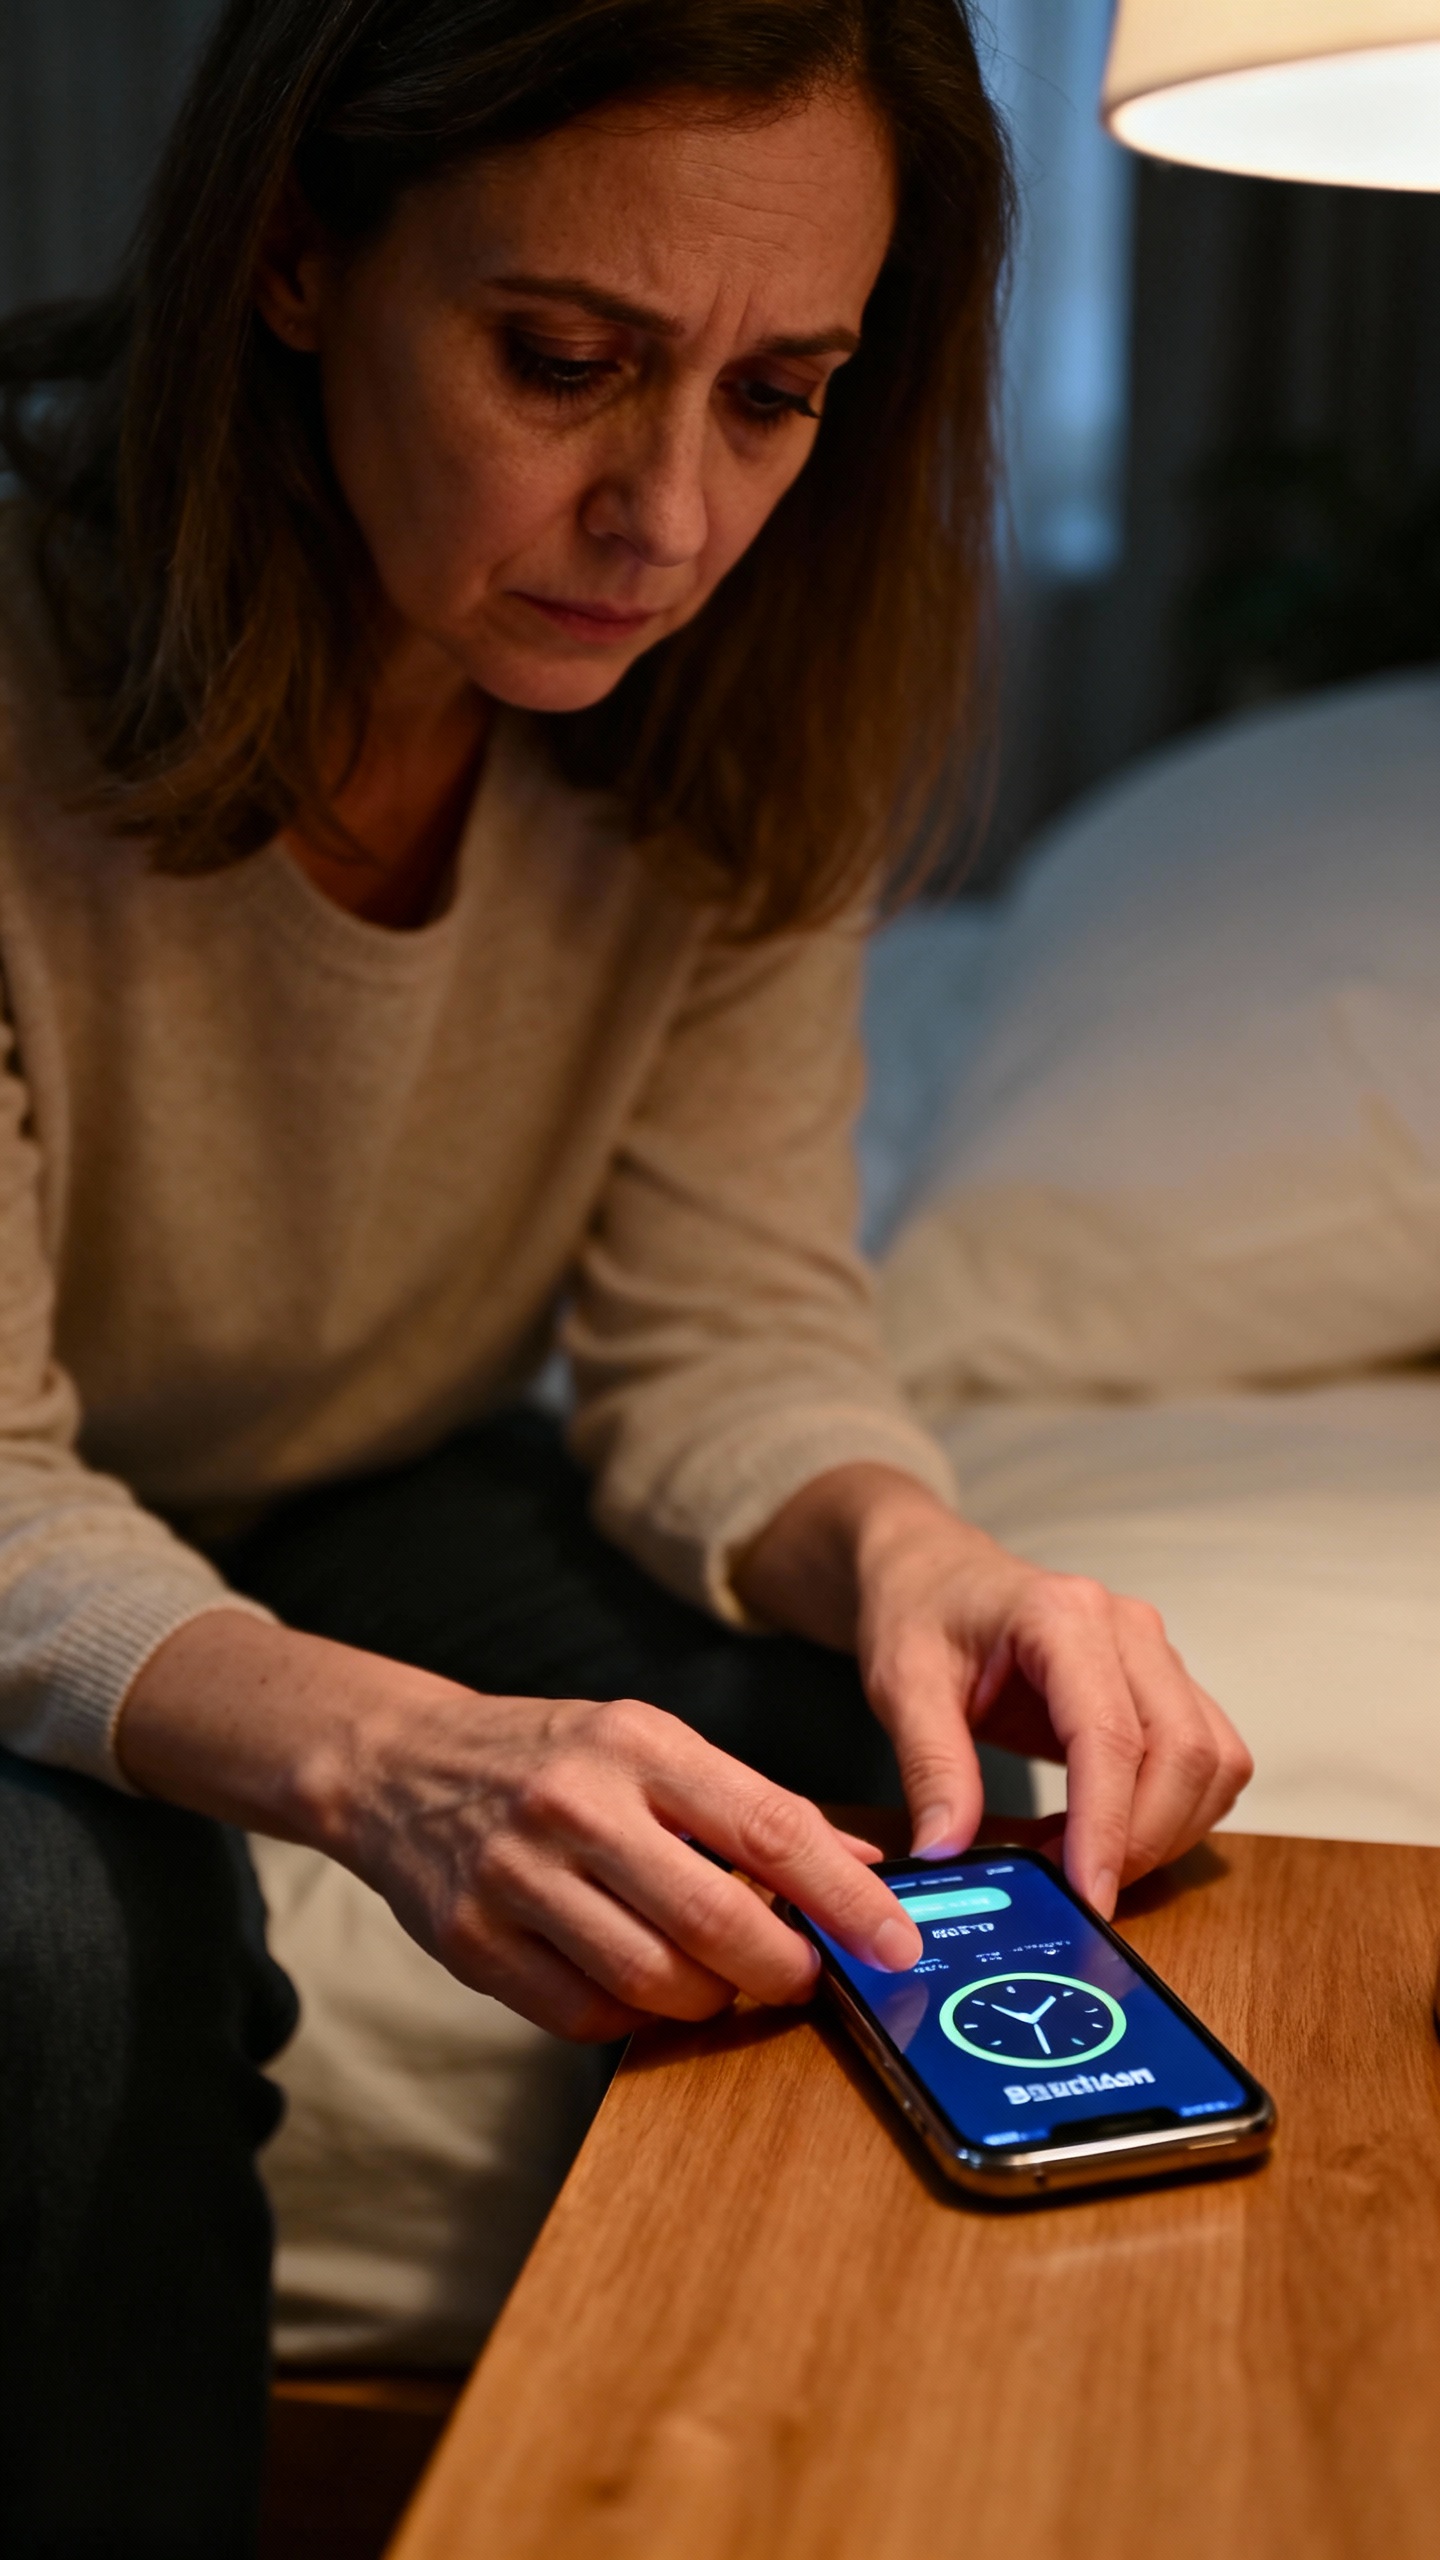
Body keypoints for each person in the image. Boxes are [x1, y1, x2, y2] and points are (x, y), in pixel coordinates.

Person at [0, 2, 1253, 2551]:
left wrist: (920, 1545)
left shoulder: (743, 707)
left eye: (780, 392)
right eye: (566, 361)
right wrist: (377, 1752)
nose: (667, 517)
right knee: (69, 1959)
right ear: (293, 256)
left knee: (867, 1789)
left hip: (365, 1454)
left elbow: (721, 1332)